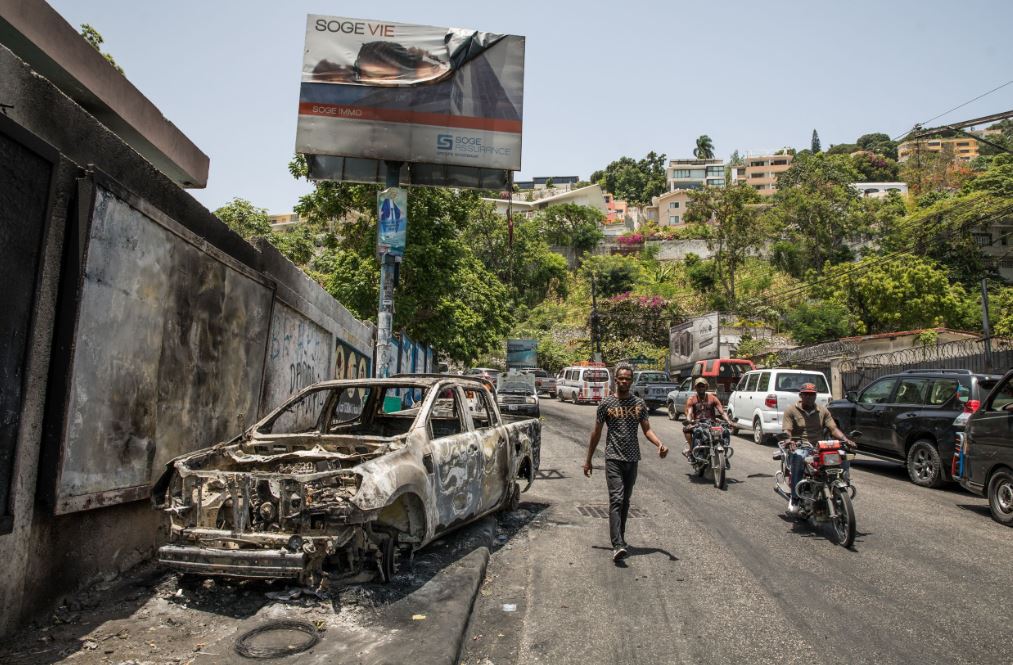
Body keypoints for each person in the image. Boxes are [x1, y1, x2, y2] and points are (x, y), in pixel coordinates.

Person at [583, 363, 668, 562]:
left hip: (632, 459)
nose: (624, 381)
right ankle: (618, 545)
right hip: (613, 458)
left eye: (627, 378)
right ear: (615, 379)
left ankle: (620, 538)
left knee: (626, 501)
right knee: (617, 499)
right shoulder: (606, 404)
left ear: (631, 380)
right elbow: (596, 433)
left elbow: (647, 430)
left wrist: (659, 444)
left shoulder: (639, 404)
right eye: (620, 378)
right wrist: (588, 460)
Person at [781, 382, 855, 514]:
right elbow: (787, 430)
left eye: (812, 395)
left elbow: (833, 428)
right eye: (806, 395)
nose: (809, 397)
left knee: (843, 456)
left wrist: (845, 439)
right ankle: (795, 497)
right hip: (801, 446)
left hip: (819, 446)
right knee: (799, 457)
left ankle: (841, 486)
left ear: (815, 396)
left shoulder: (823, 410)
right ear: (801, 395)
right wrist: (789, 441)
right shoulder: (791, 410)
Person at [683, 378, 733, 459]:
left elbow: (722, 412)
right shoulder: (692, 399)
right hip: (698, 423)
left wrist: (729, 421)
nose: (701, 388)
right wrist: (689, 420)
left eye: (702, 386)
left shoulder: (713, 398)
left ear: (706, 387)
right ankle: (692, 450)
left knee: (726, 431)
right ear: (695, 388)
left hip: (711, 423)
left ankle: (724, 454)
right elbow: (689, 412)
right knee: (688, 430)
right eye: (698, 386)